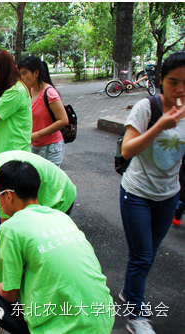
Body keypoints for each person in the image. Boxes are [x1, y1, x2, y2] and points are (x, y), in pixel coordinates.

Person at [0, 160, 114, 334]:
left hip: (63, 330)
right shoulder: (61, 216)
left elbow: (10, 294)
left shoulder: (10, 228)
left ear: (8, 195)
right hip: (103, 320)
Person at [118, 51, 185, 334]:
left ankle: (128, 292)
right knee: (142, 256)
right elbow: (128, 149)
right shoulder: (146, 108)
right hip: (137, 194)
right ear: (160, 79)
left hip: (169, 195)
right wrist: (160, 127)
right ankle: (135, 316)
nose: (180, 89)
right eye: (173, 82)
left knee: (148, 254)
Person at [18, 56, 68, 167]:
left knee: (49, 182)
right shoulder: (29, 91)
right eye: (21, 74)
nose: (22, 77)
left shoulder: (49, 93)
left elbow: (63, 120)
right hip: (34, 145)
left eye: (24, 73)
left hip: (51, 147)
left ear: (36, 73)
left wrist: (38, 134)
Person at [0, 49, 32, 155]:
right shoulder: (9, 88)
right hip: (5, 153)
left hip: (13, 155)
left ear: (2, 69)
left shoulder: (15, 91)